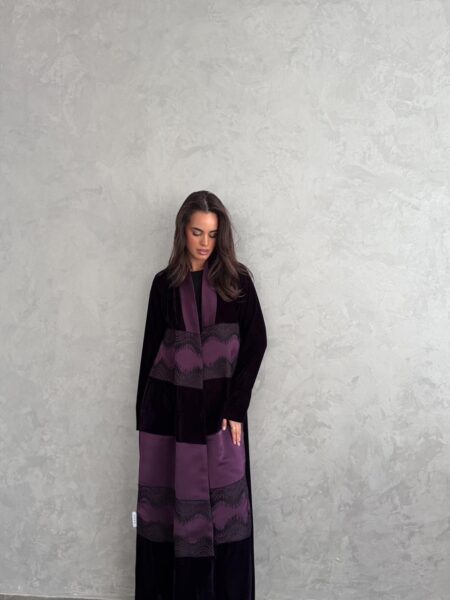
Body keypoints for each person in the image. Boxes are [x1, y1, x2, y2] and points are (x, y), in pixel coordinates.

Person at [134, 190, 267, 600]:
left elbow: (256, 343)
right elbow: (150, 349)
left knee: (228, 517)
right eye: (197, 232)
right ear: (183, 232)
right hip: (170, 418)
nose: (205, 242)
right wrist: (142, 417)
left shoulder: (236, 282)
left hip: (221, 416)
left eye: (212, 234)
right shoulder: (164, 285)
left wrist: (236, 407)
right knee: (168, 517)